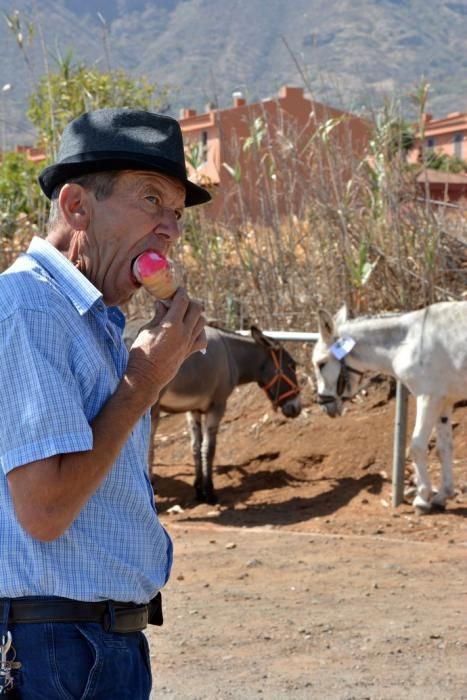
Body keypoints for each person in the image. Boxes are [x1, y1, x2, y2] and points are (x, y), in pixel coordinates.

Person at [0, 108, 211, 699]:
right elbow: (45, 510)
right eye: (150, 200)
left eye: (176, 213)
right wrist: (145, 377)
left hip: (94, 645)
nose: (169, 228)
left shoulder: (91, 322)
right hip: (56, 650)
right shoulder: (30, 309)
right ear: (76, 207)